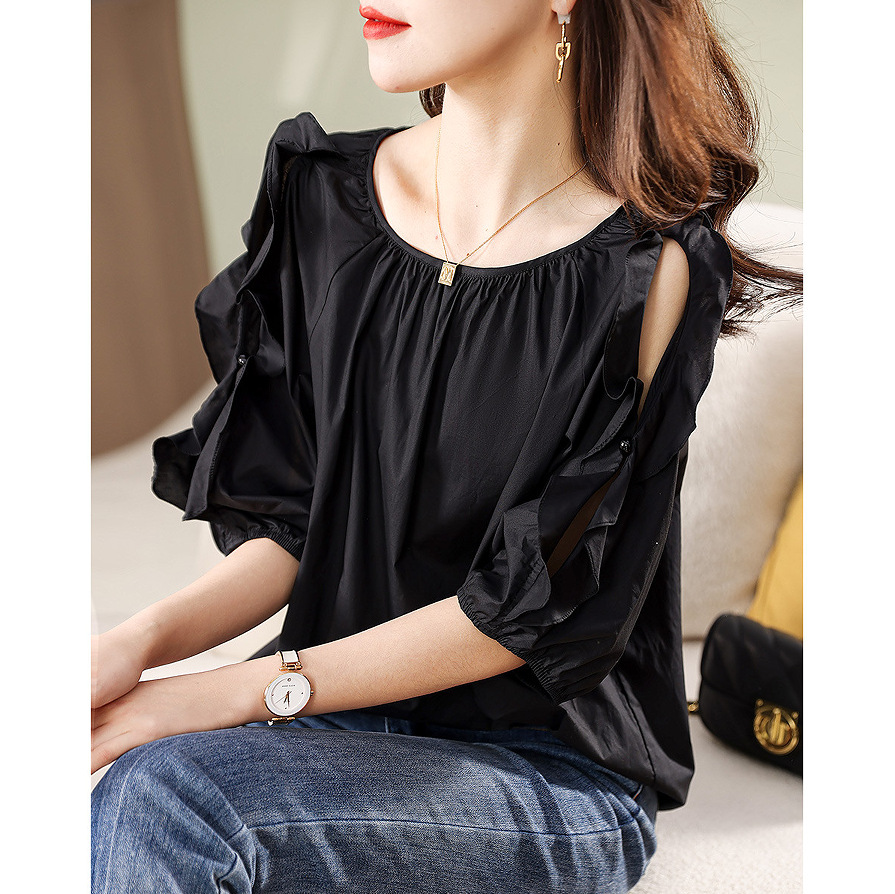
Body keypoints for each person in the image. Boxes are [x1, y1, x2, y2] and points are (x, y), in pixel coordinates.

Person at [91, 2, 802, 892]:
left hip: (545, 771)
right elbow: (294, 523)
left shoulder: (649, 271)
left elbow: (516, 608)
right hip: (330, 731)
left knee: (167, 795)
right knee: (132, 777)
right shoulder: (321, 193)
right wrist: (136, 645)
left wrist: (231, 691)